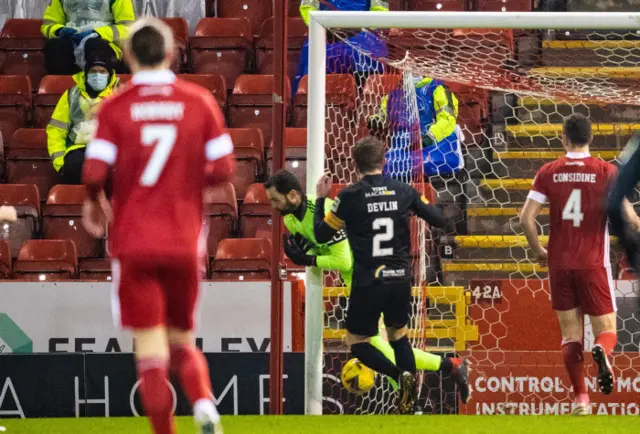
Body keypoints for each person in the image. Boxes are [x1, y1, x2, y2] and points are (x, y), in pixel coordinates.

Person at [81, 18, 235, 434]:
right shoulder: (198, 100)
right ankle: (204, 404)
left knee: (149, 347)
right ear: (171, 54)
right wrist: (184, 184)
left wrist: (95, 202)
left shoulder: (115, 106)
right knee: (182, 338)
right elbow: (223, 168)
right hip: (183, 241)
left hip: (134, 242)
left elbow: (94, 171)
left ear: (128, 56)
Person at [266, 169, 471, 401]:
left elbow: (343, 260)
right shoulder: (290, 219)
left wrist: (309, 260)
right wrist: (306, 253)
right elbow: (321, 249)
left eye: (275, 199)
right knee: (383, 343)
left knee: (374, 343)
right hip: (358, 278)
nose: (272, 205)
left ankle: (436, 372)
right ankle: (418, 387)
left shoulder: (322, 210)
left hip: (368, 276)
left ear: (293, 195)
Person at [312, 136, 469, 414]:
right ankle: (411, 404)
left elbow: (322, 234)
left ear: (355, 164)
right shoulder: (403, 190)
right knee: (399, 336)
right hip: (400, 277)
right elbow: (439, 219)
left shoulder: (348, 196)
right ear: (384, 161)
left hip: (368, 280)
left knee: (357, 342)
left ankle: (400, 377)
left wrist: (321, 199)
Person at [519, 114, 640, 416]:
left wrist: (538, 250)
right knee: (608, 329)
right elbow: (632, 219)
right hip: (592, 262)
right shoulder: (606, 172)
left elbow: (526, 218)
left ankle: (581, 401)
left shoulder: (548, 171)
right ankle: (602, 350)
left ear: (563, 138)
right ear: (591, 138)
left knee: (570, 335)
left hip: (559, 262)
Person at [369, 75, 464, 181]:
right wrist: (377, 120)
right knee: (387, 166)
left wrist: (430, 137)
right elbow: (383, 116)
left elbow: (447, 119)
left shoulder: (438, 88)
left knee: (425, 162)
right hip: (403, 148)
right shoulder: (392, 96)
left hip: (435, 144)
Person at [47, 47, 120, 185]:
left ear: (109, 74)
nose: (97, 75)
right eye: (93, 71)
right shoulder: (71, 96)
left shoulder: (119, 96)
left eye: (102, 71)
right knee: (74, 166)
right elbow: (55, 131)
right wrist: (60, 162)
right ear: (86, 73)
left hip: (108, 150)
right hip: (77, 151)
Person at [293, 0, 389, 96]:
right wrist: (323, 27)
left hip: (364, 33)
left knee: (366, 53)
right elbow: (308, 8)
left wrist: (358, 28)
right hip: (326, 31)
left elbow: (380, 10)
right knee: (312, 53)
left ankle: (367, 101)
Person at [41, 0, 135, 75]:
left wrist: (98, 33)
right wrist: (59, 31)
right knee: (55, 46)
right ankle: (61, 89)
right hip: (71, 40)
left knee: (94, 44)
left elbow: (127, 27)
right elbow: (48, 24)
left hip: (104, 43)